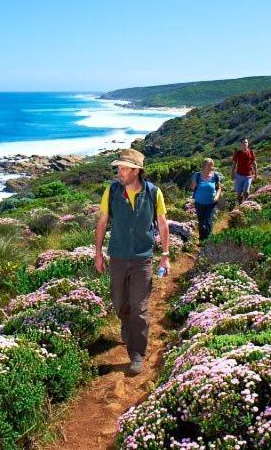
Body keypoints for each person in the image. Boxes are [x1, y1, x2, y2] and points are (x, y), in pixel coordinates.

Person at [94, 148, 170, 375]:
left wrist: (165, 256)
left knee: (139, 306)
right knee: (120, 303)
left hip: (142, 259)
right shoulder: (112, 191)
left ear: (137, 171)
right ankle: (126, 325)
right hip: (117, 256)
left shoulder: (154, 193)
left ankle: (137, 353)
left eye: (124, 168)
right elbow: (102, 222)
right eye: (118, 168)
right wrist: (98, 253)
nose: (119, 172)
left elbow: (163, 224)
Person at [190, 158, 221, 242]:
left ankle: (208, 240)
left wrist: (217, 197)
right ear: (204, 166)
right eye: (209, 166)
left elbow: (219, 188)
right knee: (201, 222)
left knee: (208, 221)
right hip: (199, 203)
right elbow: (192, 188)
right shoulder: (197, 175)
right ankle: (201, 239)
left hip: (211, 203)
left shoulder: (215, 176)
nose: (211, 167)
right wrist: (193, 184)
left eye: (212, 166)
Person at [232, 138, 257, 203]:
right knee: (239, 193)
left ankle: (246, 204)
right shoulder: (237, 153)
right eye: (243, 142)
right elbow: (234, 164)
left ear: (248, 143)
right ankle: (240, 205)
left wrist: (256, 173)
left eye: (246, 142)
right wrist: (232, 173)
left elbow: (254, 163)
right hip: (239, 175)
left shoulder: (251, 152)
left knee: (246, 192)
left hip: (248, 175)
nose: (245, 144)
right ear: (241, 144)